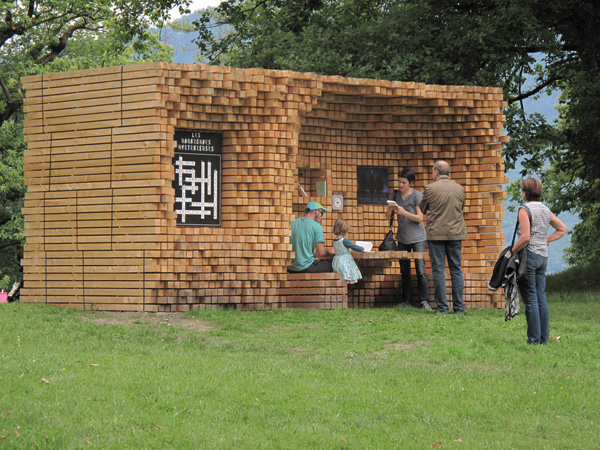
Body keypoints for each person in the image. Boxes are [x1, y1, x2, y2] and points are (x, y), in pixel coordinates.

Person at [511, 177, 567, 345]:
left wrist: (512, 252)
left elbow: (525, 238)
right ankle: (543, 339)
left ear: (526, 193)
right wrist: (545, 240)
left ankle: (533, 340)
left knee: (530, 298)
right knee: (540, 296)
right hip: (543, 257)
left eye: (522, 190)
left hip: (529, 256)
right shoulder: (545, 209)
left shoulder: (524, 209)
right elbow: (562, 228)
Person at [420, 160, 468, 314]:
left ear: (436, 171)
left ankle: (442, 308)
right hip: (455, 234)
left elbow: (422, 208)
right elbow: (461, 207)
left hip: (436, 235)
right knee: (456, 270)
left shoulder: (430, 188)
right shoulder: (459, 188)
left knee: (438, 271)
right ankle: (459, 307)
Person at [386, 168, 431, 309]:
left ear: (411, 183)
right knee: (404, 270)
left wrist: (404, 212)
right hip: (402, 238)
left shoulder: (417, 195)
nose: (400, 185)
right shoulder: (395, 195)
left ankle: (424, 301)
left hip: (418, 238)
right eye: (399, 182)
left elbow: (419, 218)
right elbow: (387, 217)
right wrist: (389, 209)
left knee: (420, 269)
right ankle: (405, 300)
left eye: (404, 183)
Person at [287, 201, 335, 273]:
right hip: (306, 267)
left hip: (290, 267)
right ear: (316, 212)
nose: (321, 217)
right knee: (333, 267)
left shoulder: (292, 223)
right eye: (322, 213)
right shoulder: (316, 226)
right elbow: (322, 252)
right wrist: (331, 251)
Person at [332, 218, 364, 284]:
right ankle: (345, 289)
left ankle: (342, 289)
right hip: (345, 261)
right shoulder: (345, 240)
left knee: (341, 278)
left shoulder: (334, 241)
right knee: (346, 277)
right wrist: (361, 248)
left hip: (337, 261)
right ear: (343, 231)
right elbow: (354, 247)